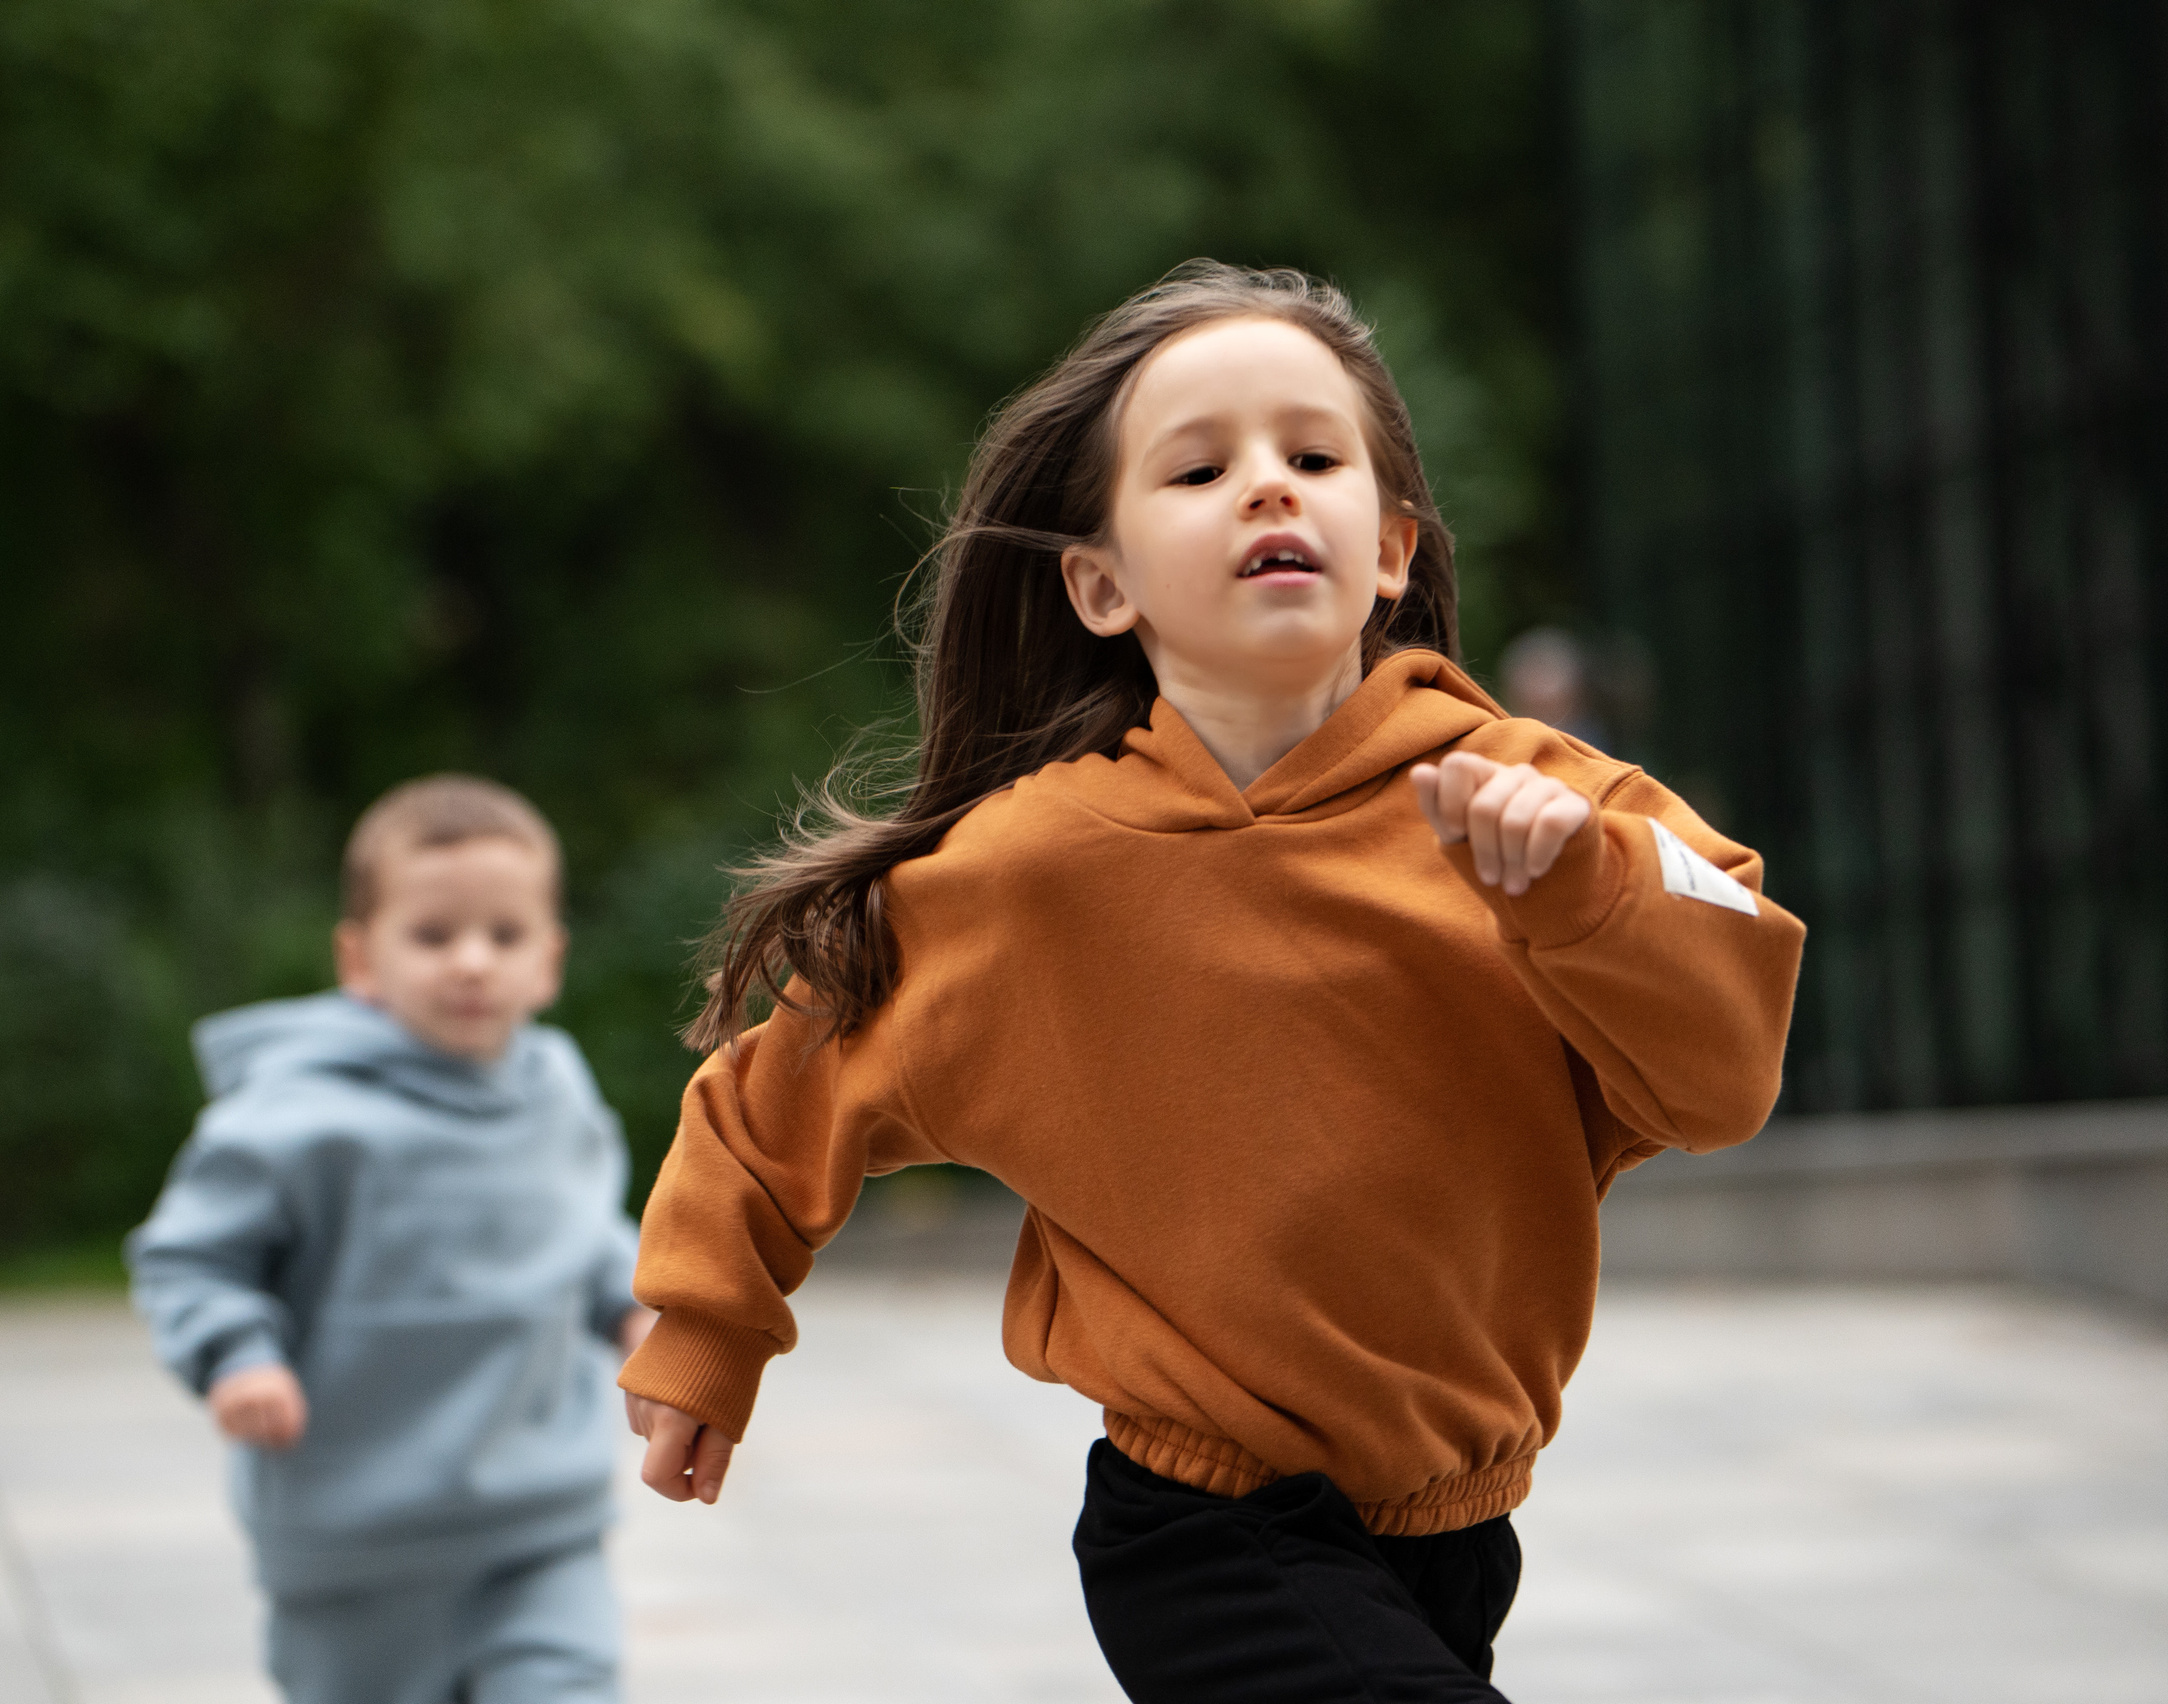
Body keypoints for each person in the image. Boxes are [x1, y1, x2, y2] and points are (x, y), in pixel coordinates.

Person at [616, 262, 1804, 1702]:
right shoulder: (1035, 870)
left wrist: (1584, 897)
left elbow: (1729, 1068)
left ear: (1393, 552)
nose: (1267, 488)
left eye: (1313, 456)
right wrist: (705, 1329)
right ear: (1101, 584)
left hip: (1459, 1518)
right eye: (1200, 467)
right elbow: (788, 1083)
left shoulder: (1543, 804)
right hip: (1201, 1521)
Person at [129, 775, 649, 1704]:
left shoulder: (559, 1088)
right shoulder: (294, 1116)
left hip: (540, 1519)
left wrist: (636, 1309)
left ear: (551, 960)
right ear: (359, 957)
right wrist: (237, 1355)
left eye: (505, 934)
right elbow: (191, 1258)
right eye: (434, 935)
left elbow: (588, 1228)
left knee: (568, 1684)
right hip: (356, 1536)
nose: (473, 962)